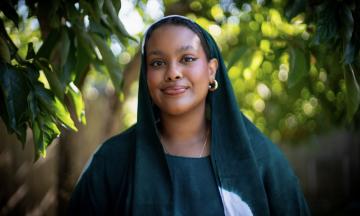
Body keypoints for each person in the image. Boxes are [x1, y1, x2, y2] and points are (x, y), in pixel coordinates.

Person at [68, 15, 310, 215]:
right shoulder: (112, 160)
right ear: (145, 76)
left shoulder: (260, 159)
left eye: (187, 59)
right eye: (157, 63)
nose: (173, 72)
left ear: (211, 70)